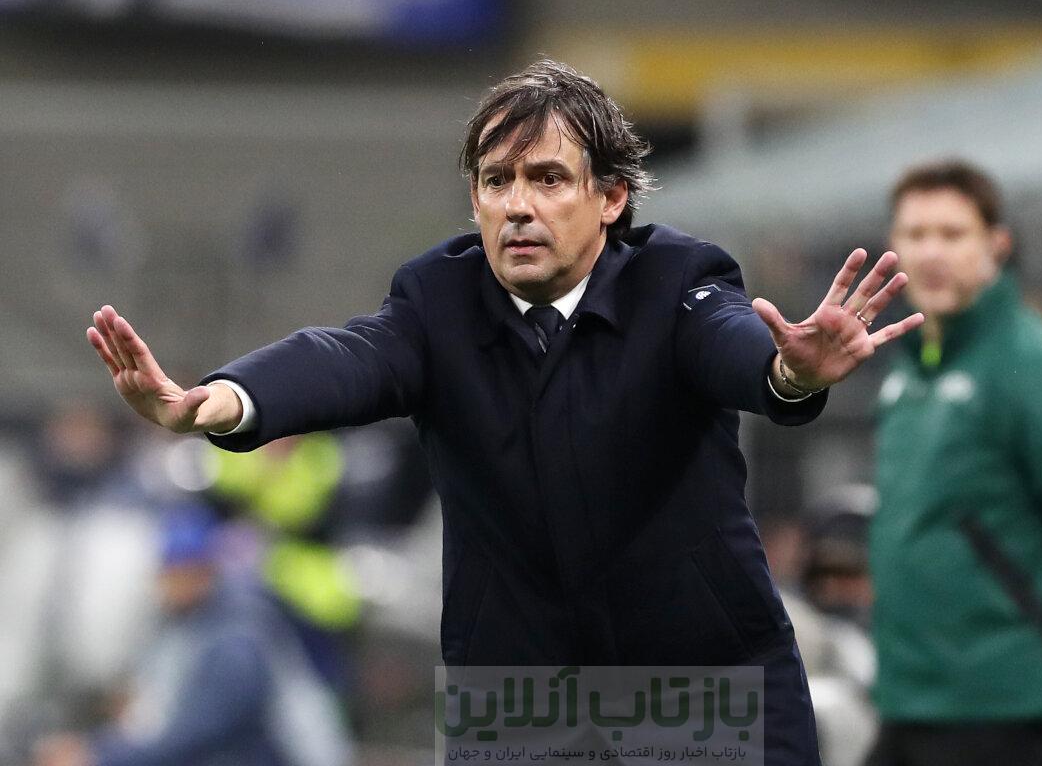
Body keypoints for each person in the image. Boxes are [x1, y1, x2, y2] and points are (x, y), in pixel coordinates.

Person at [85, 59, 922, 765]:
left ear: (611, 198)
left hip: (702, 683)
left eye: (547, 178)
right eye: (497, 181)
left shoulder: (677, 280)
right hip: (522, 698)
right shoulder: (436, 298)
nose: (517, 204)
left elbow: (734, 346)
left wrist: (787, 371)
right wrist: (220, 401)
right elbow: (347, 356)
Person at [867, 159, 1042, 766]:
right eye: (916, 234)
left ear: (996, 244)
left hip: (1002, 707)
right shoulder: (910, 368)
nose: (932, 252)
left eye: (952, 234)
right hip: (909, 700)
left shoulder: (1040, 370)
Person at [33, 503, 351, 766]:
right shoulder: (180, 623)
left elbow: (195, 734)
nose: (173, 582)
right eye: (169, 571)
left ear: (207, 571)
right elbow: (152, 711)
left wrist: (99, 755)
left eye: (185, 571)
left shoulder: (237, 636)